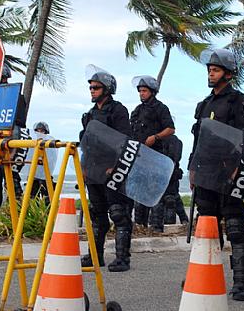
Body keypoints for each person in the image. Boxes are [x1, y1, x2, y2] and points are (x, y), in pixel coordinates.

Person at [189, 49, 244, 301]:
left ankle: (242, 282)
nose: (211, 73)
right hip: (205, 174)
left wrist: (239, 168)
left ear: (228, 74)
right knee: (207, 227)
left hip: (228, 174)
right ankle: (204, 275)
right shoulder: (204, 104)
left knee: (236, 227)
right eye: (209, 70)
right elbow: (197, 141)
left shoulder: (239, 102)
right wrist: (191, 168)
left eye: (215, 70)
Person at [80, 65, 133, 272]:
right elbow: (86, 142)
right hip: (93, 170)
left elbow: (124, 140)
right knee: (97, 214)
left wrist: (115, 166)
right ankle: (95, 256)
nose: (92, 90)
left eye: (96, 87)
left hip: (112, 169)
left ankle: (122, 258)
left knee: (118, 214)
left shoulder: (118, 110)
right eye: (91, 87)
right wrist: (84, 167)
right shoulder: (90, 114)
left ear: (107, 89)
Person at [130, 75, 175, 232]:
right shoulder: (137, 110)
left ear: (152, 91)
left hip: (155, 155)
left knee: (155, 191)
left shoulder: (161, 108)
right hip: (139, 156)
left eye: (144, 91)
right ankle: (139, 225)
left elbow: (170, 129)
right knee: (138, 191)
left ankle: (156, 226)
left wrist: (155, 137)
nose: (141, 94)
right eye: (140, 91)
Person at [0, 63, 26, 214]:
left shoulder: (16, 96)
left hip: (10, 142)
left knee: (11, 182)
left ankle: (16, 216)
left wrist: (13, 149)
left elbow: (19, 124)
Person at [161, 134, 189, 225]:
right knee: (172, 197)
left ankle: (181, 220)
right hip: (167, 174)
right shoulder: (175, 141)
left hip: (170, 173)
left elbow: (175, 158)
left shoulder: (173, 141)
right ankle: (183, 219)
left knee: (171, 198)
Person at [29, 121, 56, 203]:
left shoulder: (49, 144)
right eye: (38, 131)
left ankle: (49, 213)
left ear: (46, 132)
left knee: (48, 196)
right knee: (32, 197)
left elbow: (52, 158)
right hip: (34, 173)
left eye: (42, 131)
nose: (40, 133)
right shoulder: (32, 143)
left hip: (45, 173)